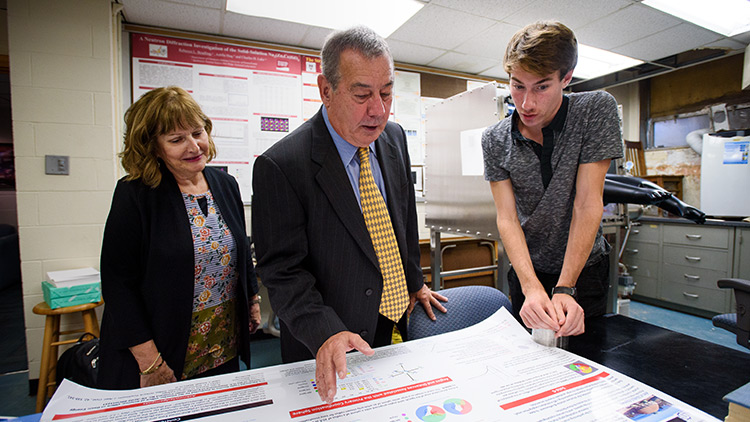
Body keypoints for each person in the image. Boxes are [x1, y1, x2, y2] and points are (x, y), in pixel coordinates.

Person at [251, 26, 447, 404]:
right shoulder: (282, 165)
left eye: (387, 93)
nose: (379, 109)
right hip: (330, 336)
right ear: (326, 90)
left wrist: (413, 280)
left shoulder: (393, 137)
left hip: (394, 316)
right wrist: (324, 330)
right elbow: (282, 270)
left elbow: (401, 219)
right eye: (362, 95)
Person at [98, 86, 261, 389]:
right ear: (153, 147)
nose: (194, 146)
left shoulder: (224, 184)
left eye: (197, 133)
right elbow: (118, 286)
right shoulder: (135, 194)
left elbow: (240, 248)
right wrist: (150, 361)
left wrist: (252, 299)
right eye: (176, 139)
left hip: (220, 343)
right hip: (160, 352)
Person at [482, 21, 623, 338]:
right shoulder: (494, 139)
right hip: (527, 270)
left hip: (583, 270)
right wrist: (531, 287)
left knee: (584, 360)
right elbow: (506, 217)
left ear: (567, 77)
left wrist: (566, 286)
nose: (527, 103)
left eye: (541, 87)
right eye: (517, 86)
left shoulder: (594, 111)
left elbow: (587, 203)